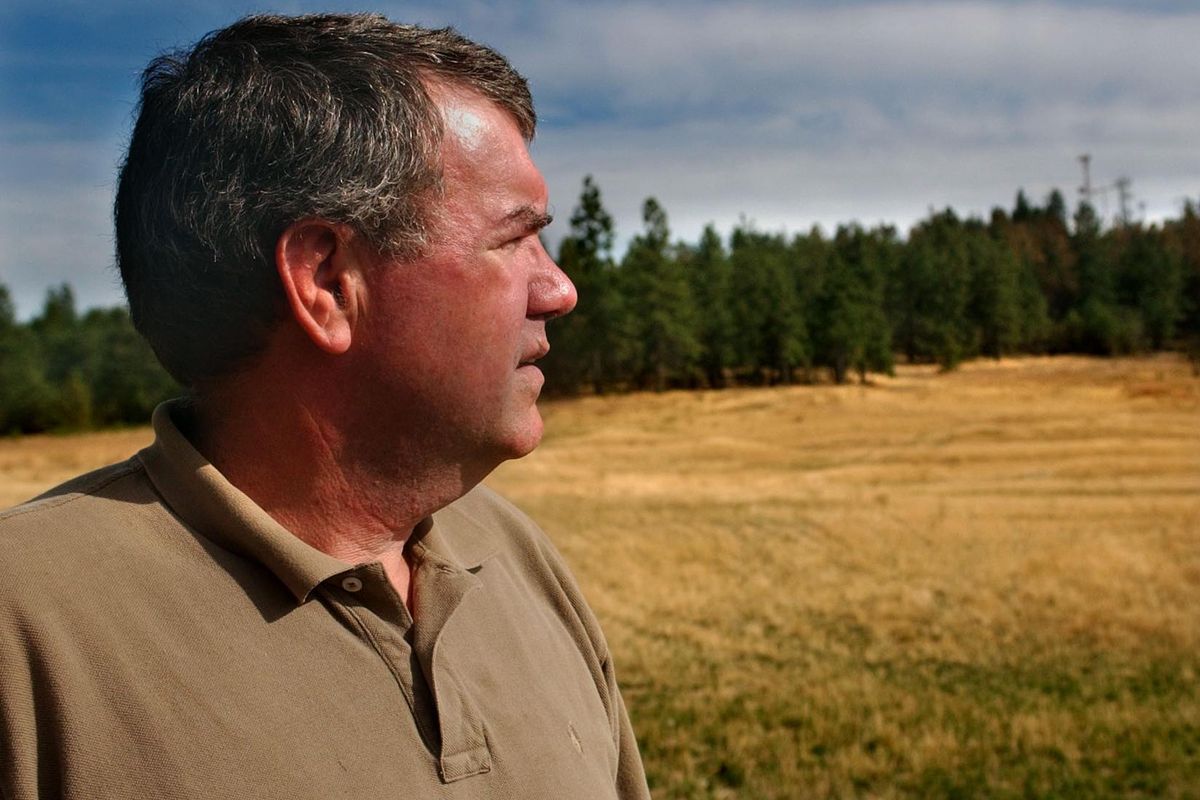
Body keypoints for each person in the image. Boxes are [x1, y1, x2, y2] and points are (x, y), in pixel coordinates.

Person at [0, 14, 650, 800]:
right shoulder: (23, 627)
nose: (560, 289)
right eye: (515, 240)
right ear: (328, 282)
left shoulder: (514, 553)